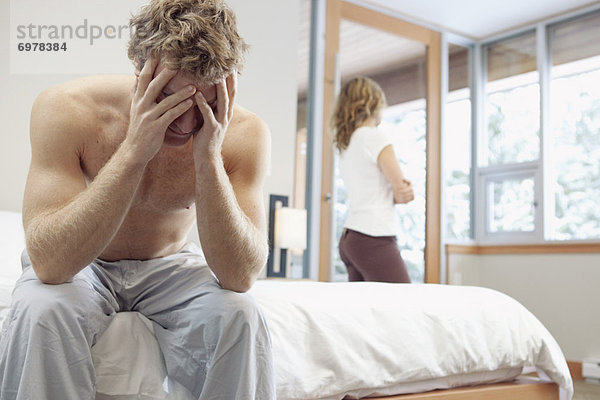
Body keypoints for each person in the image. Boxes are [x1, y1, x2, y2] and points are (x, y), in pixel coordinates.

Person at [0, 0, 276, 399]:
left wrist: (209, 157)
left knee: (241, 315)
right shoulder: (67, 108)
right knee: (41, 308)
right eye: (169, 99)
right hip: (85, 263)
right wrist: (134, 150)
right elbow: (49, 264)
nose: (184, 123)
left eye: (204, 103)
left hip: (171, 265)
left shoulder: (244, 133)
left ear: (228, 85)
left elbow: (240, 277)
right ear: (139, 69)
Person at [332, 76, 414, 283]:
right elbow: (402, 191)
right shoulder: (375, 138)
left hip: (351, 238)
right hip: (373, 236)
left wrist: (396, 193)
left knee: (363, 311)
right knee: (405, 303)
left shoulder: (347, 145)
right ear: (373, 104)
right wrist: (404, 191)